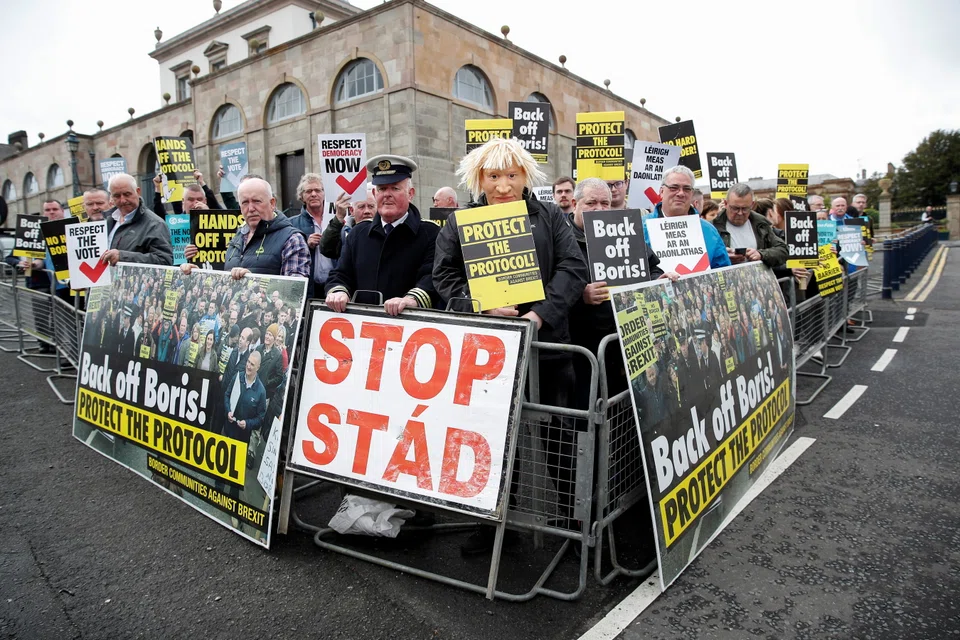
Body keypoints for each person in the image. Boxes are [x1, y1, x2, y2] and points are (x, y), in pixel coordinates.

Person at [433, 137, 587, 554]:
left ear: (525, 176)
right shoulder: (459, 222)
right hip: (489, 351)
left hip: (551, 347)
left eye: (512, 175)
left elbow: (574, 268)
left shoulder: (551, 215)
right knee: (495, 438)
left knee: (559, 439)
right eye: (494, 176)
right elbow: (444, 277)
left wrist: (540, 315)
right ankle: (496, 523)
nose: (503, 185)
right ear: (479, 178)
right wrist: (480, 306)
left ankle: (570, 521)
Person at [567, 178, 667, 402]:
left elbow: (650, 267)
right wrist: (580, 295)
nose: (599, 209)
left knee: (620, 406)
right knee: (587, 406)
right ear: (575, 204)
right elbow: (550, 285)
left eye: (605, 203)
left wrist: (658, 280)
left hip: (623, 338)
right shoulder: (561, 237)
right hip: (581, 345)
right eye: (592, 203)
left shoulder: (625, 231)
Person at [325, 155, 439, 315]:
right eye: (382, 189)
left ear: (410, 193)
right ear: (374, 192)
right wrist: (339, 292)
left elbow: (432, 277)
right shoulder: (359, 233)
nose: (387, 194)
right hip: (362, 328)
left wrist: (411, 299)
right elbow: (341, 274)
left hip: (409, 328)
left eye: (395, 188)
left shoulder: (430, 233)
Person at [642, 166, 731, 269]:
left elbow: (723, 272)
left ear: (692, 193)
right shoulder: (641, 228)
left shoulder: (708, 230)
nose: (680, 193)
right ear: (661, 192)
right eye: (674, 188)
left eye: (686, 189)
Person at [287, 173, 347, 297]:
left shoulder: (338, 219)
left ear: (324, 194)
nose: (313, 194)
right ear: (302, 197)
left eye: (317, 190)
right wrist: (305, 245)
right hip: (309, 287)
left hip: (335, 286)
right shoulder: (292, 223)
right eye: (308, 191)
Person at [100, 174, 173, 267]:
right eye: (117, 196)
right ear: (111, 197)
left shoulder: (155, 224)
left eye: (127, 194)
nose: (123, 200)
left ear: (138, 192)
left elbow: (164, 260)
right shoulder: (107, 221)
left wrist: (123, 257)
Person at [712, 183, 788, 269]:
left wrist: (760, 254)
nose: (740, 213)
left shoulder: (761, 224)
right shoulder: (712, 227)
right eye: (735, 208)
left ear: (752, 205)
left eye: (745, 208)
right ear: (725, 204)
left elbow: (783, 250)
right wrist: (723, 258)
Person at [320, 184, 377, 261]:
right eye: (361, 207)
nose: (367, 211)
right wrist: (338, 218)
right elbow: (327, 250)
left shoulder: (385, 230)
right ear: (351, 210)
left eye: (371, 206)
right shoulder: (343, 233)